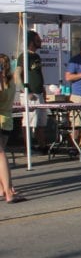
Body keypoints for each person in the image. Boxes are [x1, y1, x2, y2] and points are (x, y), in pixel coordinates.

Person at [15, 29, 47, 149]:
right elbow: (17, 75)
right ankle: (28, 147)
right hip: (30, 94)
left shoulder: (37, 56)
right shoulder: (24, 56)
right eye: (37, 40)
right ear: (31, 41)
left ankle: (42, 146)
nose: (40, 41)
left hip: (39, 94)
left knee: (41, 122)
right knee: (29, 121)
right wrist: (26, 91)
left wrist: (43, 89)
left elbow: (38, 74)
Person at [0, 54, 25, 203]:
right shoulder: (10, 81)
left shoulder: (2, 81)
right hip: (7, 120)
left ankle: (8, 190)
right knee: (1, 153)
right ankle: (4, 188)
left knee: (1, 154)